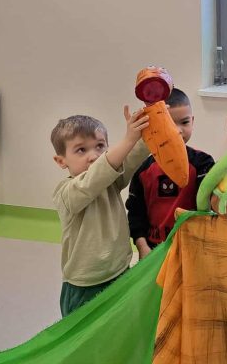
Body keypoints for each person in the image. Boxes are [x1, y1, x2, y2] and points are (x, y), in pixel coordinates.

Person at [51, 106, 149, 316]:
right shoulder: (66, 193)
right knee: (83, 334)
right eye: (81, 150)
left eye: (100, 146)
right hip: (85, 284)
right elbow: (93, 180)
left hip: (119, 272)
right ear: (61, 161)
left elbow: (131, 159)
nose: (94, 156)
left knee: (117, 327)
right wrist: (128, 139)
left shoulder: (110, 181)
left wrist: (147, 131)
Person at [126, 88, 214, 259]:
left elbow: (209, 208)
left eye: (185, 122)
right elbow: (135, 214)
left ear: (192, 121)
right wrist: (142, 247)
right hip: (153, 253)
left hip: (192, 253)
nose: (178, 130)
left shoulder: (203, 163)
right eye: (170, 124)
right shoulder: (142, 170)